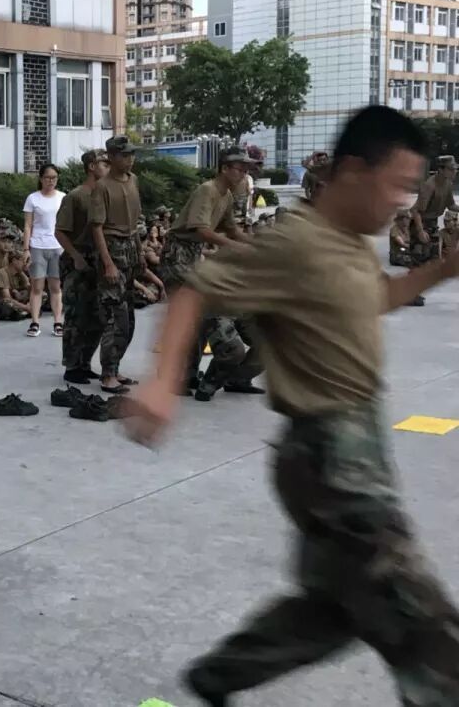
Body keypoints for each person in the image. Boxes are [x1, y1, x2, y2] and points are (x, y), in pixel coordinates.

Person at [127, 105, 459, 706]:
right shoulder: (294, 241)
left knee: (331, 611)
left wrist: (444, 268)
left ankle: (219, 676)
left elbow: (378, 299)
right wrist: (162, 381)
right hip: (330, 457)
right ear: (354, 171)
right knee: (430, 636)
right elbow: (194, 291)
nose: (404, 202)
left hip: (355, 445)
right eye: (398, 185)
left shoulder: (350, 244)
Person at [159, 147, 253, 397]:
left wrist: (254, 245)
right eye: (240, 168)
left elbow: (231, 228)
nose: (244, 173)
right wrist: (234, 246)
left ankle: (185, 374)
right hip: (177, 255)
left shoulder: (226, 195)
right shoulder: (207, 190)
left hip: (192, 255)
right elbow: (200, 229)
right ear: (224, 168)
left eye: (246, 169)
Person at [91, 135, 143, 395]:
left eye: (131, 154)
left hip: (131, 248)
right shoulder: (102, 187)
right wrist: (108, 264)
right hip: (112, 250)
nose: (130, 159)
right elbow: (97, 229)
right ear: (111, 157)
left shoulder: (133, 180)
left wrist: (140, 254)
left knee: (129, 317)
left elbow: (135, 224)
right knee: (115, 316)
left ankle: (116, 367)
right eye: (124, 155)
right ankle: (108, 374)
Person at [55, 148, 107, 384]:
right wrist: (75, 256)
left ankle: (85, 362)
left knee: (97, 317)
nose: (108, 167)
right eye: (103, 163)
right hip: (77, 261)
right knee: (76, 317)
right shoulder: (75, 197)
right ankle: (72, 366)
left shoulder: (104, 194)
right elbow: (60, 231)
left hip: (98, 260)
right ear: (91, 167)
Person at [22, 164, 66, 338]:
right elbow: (27, 225)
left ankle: (58, 322)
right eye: (48, 177)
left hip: (57, 246)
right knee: (37, 287)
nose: (51, 181)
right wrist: (26, 248)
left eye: (54, 177)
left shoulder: (62, 197)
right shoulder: (32, 198)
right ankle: (35, 322)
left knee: (56, 286)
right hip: (37, 245)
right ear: (41, 179)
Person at [410, 154, 458, 268]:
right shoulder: (429, 186)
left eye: (455, 169)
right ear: (441, 170)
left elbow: (451, 205)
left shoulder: (448, 184)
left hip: (432, 223)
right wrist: (420, 231)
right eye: (451, 169)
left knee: (438, 258)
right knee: (422, 262)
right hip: (419, 224)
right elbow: (416, 210)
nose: (454, 172)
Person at [0, 247, 31, 321]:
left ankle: (22, 311)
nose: (25, 263)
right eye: (23, 260)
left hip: (7, 300)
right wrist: (26, 307)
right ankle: (23, 311)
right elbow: (7, 298)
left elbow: (31, 290)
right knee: (8, 303)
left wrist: (27, 274)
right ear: (14, 261)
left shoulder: (19, 273)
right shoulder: (3, 273)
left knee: (42, 295)